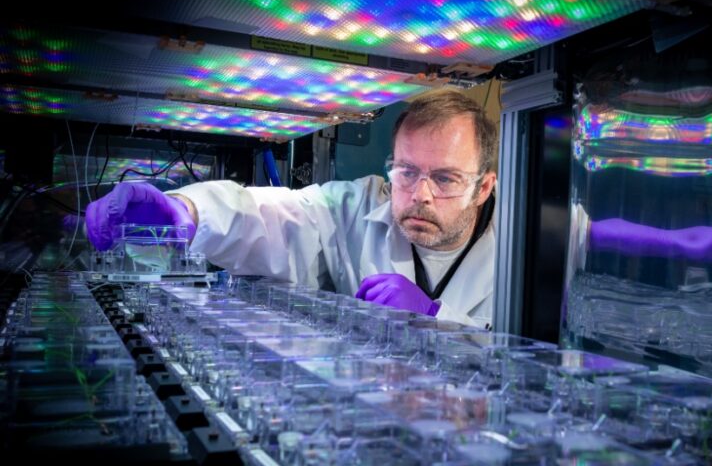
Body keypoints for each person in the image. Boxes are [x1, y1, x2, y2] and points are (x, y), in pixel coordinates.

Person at [85, 90, 498, 328]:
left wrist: (437, 319)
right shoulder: (361, 204)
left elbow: (534, 365)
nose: (420, 194)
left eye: (445, 179)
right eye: (406, 171)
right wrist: (186, 213)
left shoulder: (526, 250)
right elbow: (276, 215)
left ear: (483, 188)